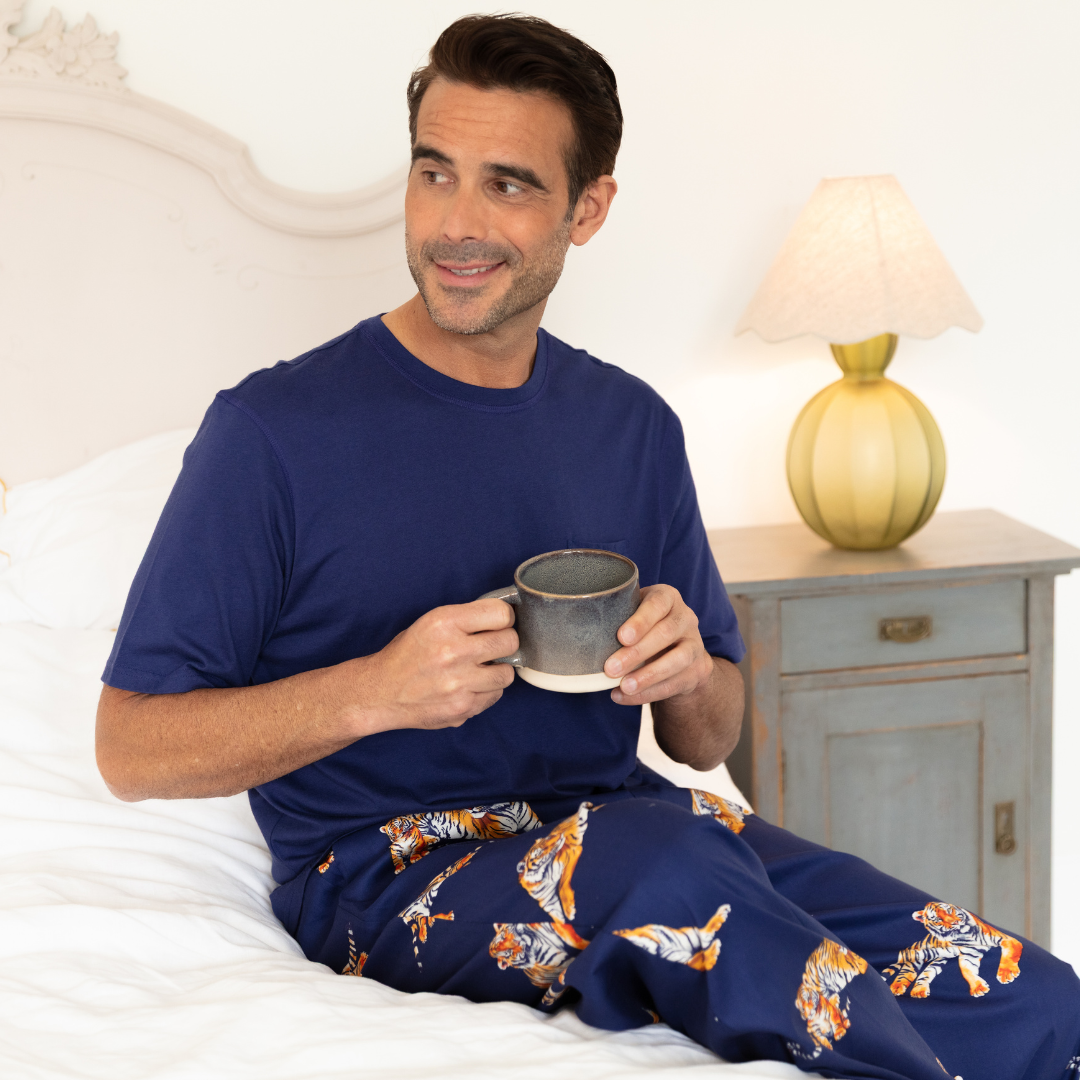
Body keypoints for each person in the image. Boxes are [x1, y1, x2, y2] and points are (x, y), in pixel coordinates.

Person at [94, 14, 1080, 1080]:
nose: (456, 223)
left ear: (589, 207)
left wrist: (688, 670)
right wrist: (375, 691)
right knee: (672, 866)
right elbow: (129, 748)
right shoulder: (272, 432)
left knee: (1033, 999)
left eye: (508, 185)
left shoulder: (632, 426)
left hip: (638, 827)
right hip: (387, 877)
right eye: (434, 172)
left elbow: (707, 738)